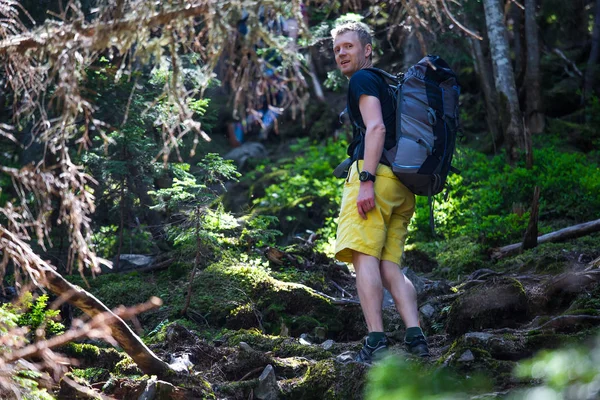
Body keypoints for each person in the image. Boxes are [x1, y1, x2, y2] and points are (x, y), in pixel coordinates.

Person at [331, 21, 429, 363]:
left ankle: (375, 340)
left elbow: (376, 127)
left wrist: (367, 180)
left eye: (349, 46)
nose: (342, 53)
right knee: (391, 266)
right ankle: (416, 337)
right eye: (337, 49)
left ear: (367, 49)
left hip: (378, 176)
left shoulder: (362, 79)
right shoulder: (387, 84)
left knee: (363, 258)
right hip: (403, 186)